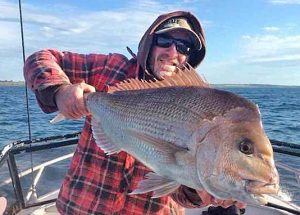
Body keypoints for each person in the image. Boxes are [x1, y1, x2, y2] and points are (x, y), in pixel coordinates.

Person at [24, 11, 245, 214]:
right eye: (165, 40)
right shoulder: (110, 68)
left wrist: (201, 189)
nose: (172, 52)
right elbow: (40, 58)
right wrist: (59, 91)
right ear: (150, 42)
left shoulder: (200, 105)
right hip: (83, 207)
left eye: (184, 47)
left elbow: (178, 193)